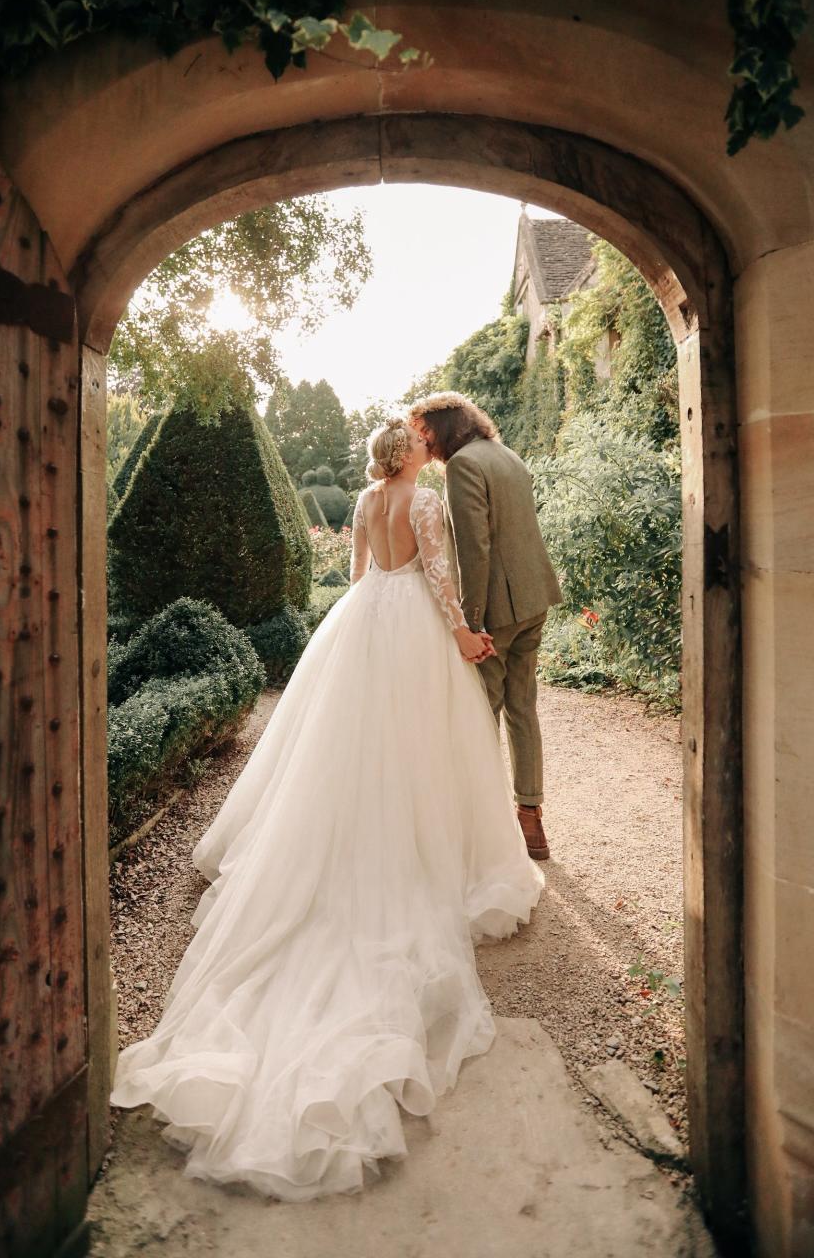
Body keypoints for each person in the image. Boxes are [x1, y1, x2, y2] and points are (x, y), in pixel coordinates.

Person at [109, 416, 544, 1201]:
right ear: (408, 455)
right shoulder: (426, 502)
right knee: (422, 749)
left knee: (344, 747)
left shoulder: (365, 503)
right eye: (416, 442)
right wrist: (464, 637)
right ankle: (423, 853)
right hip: (411, 621)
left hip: (361, 622)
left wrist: (367, 620)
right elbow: (442, 580)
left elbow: (353, 577)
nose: (424, 446)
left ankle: (347, 842)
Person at [407, 393, 564, 861]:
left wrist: (470, 624)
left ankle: (484, 831)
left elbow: (474, 549)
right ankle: (531, 819)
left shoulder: (463, 466)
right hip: (535, 596)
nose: (422, 441)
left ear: (445, 426)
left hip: (496, 611)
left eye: (425, 432)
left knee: (480, 715)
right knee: (523, 708)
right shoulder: (507, 455)